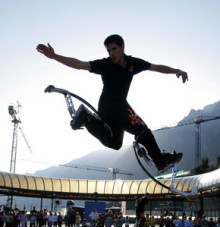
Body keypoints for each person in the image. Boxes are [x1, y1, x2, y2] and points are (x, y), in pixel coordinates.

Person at [36, 35, 188, 171]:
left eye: (114, 49)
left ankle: (87, 119)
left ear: (122, 47)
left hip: (117, 108)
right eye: (108, 50)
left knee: (115, 143)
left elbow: (155, 67)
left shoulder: (134, 63)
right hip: (111, 104)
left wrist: (177, 70)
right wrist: (54, 56)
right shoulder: (106, 64)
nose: (111, 53)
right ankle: (159, 160)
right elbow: (79, 64)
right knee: (141, 129)